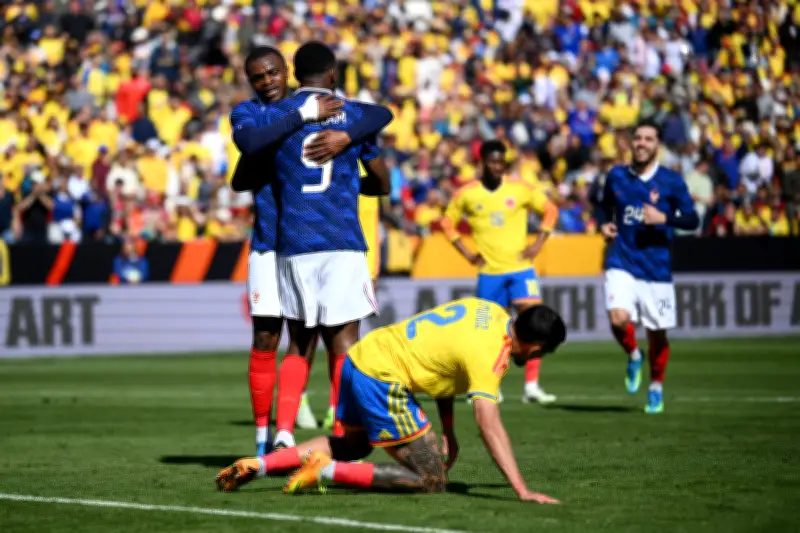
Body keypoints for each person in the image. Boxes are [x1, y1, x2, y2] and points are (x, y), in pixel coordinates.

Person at [216, 298, 566, 503]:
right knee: (432, 478)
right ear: (536, 348)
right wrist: (521, 489)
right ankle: (324, 469)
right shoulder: (492, 354)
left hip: (358, 358)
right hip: (383, 378)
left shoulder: (487, 310)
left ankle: (260, 465)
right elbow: (488, 424)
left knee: (353, 444)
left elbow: (446, 367)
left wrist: (448, 430)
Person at [229, 45, 393, 456]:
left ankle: (313, 430)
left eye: (271, 73)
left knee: (303, 340)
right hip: (273, 242)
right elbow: (245, 159)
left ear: (290, 72)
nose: (266, 82)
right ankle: (269, 437)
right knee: (275, 337)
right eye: (258, 77)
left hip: (293, 242)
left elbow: (377, 116)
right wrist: (309, 119)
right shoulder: (256, 116)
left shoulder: (332, 114)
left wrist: (346, 135)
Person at [441, 140, 559, 405]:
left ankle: (532, 386)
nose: (497, 167)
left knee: (535, 324)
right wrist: (467, 253)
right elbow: (447, 222)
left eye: (501, 162)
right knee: (489, 332)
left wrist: (538, 243)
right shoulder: (467, 194)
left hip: (521, 269)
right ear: (482, 162)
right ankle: (489, 385)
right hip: (490, 273)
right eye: (492, 162)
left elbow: (550, 210)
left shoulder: (520, 189)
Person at [596, 119, 699, 413]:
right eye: (638, 138)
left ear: (657, 145)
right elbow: (602, 204)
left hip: (657, 270)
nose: (641, 143)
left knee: (658, 334)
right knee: (617, 318)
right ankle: (632, 354)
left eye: (648, 139)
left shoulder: (671, 181)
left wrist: (664, 219)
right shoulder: (616, 176)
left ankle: (655, 387)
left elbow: (692, 221)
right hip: (622, 260)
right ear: (631, 142)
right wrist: (604, 221)